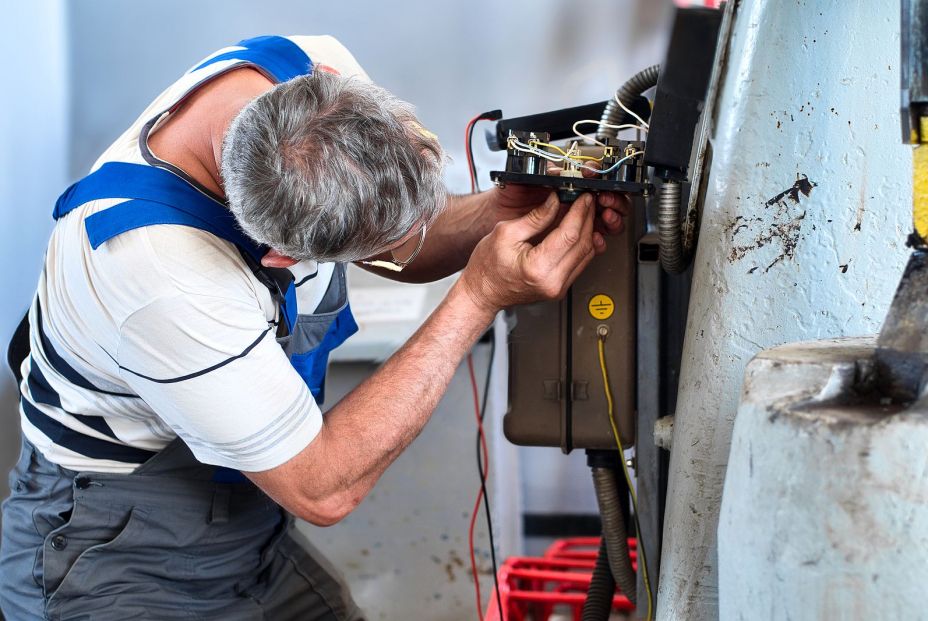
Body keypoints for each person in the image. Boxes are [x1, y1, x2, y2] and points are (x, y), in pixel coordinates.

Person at [0, 35, 628, 620]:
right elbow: (321, 487)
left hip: (248, 524)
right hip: (117, 553)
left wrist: (496, 211)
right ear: (278, 257)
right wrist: (478, 296)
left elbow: (395, 236)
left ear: (334, 84)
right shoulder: (159, 274)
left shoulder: (304, 74)